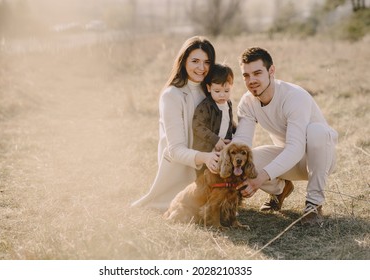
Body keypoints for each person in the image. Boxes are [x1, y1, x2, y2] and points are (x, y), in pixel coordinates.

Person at [233, 47, 338, 226]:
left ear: (271, 71)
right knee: (243, 161)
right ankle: (280, 189)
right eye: (246, 75)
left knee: (317, 132)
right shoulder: (247, 102)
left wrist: (261, 177)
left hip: (318, 158)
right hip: (286, 159)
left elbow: (296, 148)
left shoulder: (294, 96)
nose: (251, 80)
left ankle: (313, 205)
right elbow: (241, 143)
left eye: (257, 73)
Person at [131, 36, 220, 211]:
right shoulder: (172, 95)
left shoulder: (210, 90)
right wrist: (206, 158)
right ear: (183, 61)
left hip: (210, 165)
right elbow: (175, 150)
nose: (201, 68)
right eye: (195, 61)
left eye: (207, 62)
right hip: (181, 168)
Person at [192, 63, 236, 176]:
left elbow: (228, 121)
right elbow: (197, 126)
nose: (222, 95)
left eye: (227, 91)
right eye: (217, 91)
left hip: (223, 148)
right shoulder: (206, 106)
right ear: (209, 88)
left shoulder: (228, 103)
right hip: (207, 149)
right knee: (205, 176)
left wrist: (236, 133)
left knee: (224, 173)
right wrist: (216, 140)